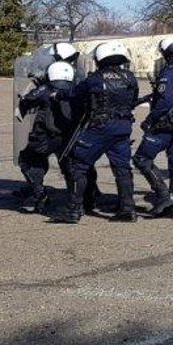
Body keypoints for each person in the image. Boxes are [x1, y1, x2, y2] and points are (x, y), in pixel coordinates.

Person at [53, 42, 139, 223]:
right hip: (123, 128)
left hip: (99, 128)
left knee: (78, 164)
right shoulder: (130, 77)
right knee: (122, 168)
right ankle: (128, 209)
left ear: (100, 58)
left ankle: (73, 209)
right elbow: (132, 101)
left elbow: (75, 93)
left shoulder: (95, 78)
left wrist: (57, 95)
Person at [133, 38, 173, 218]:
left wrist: (150, 120)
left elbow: (165, 100)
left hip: (165, 123)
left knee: (141, 158)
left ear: (167, 52)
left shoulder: (169, 71)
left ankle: (164, 196)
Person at [15, 62, 79, 214]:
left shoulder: (46, 88)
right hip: (70, 137)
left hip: (45, 137)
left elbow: (26, 101)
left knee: (27, 160)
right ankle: (76, 201)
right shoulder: (77, 89)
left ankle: (39, 194)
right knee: (71, 168)